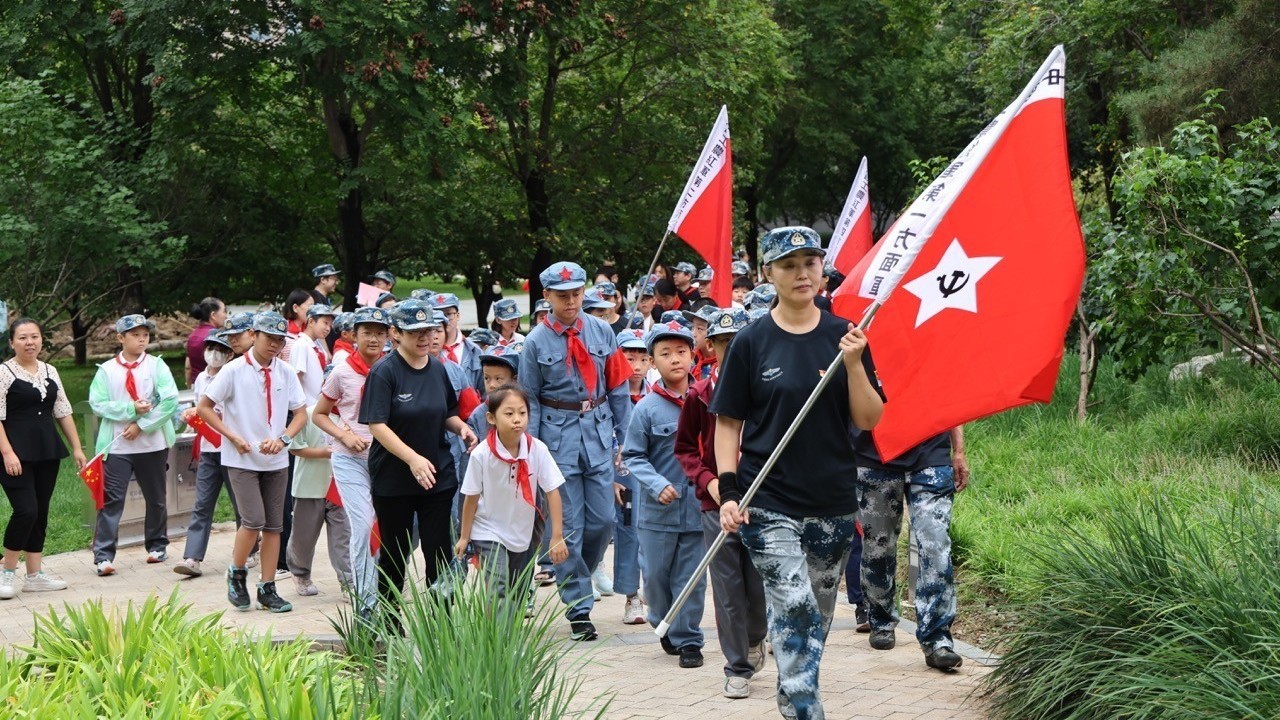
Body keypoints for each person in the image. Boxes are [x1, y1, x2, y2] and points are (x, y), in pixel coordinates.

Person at [712, 226, 885, 720]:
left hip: (831, 501)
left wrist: (853, 364)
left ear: (822, 269)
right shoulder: (750, 342)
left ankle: (791, 698)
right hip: (768, 503)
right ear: (768, 274)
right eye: (788, 265)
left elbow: (869, 419)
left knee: (816, 620)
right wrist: (729, 490)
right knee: (795, 606)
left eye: (810, 262)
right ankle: (807, 711)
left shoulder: (845, 335)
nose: (801, 273)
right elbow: (728, 424)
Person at [518, 261, 632, 641]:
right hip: (557, 438)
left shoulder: (601, 331)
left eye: (577, 293)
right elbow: (529, 399)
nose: (571, 301)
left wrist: (626, 439)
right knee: (566, 528)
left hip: (598, 434)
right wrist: (529, 450)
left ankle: (584, 571)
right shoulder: (535, 342)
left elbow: (617, 386)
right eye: (562, 295)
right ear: (546, 296)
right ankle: (579, 608)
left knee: (602, 522)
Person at [359, 299, 478, 613]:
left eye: (429, 330)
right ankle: (388, 620)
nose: (425, 337)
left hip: (436, 476)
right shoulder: (385, 372)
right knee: (395, 554)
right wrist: (411, 458)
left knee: (439, 552)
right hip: (394, 479)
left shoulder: (437, 368)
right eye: (416, 332)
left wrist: (461, 428)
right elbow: (376, 424)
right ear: (396, 334)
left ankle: (442, 622)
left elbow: (447, 413)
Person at [676, 308, 767, 698]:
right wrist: (709, 481)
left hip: (763, 503)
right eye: (724, 343)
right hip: (717, 506)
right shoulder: (699, 395)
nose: (732, 350)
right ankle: (737, 667)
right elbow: (685, 449)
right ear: (710, 346)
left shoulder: (766, 389)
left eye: (739, 342)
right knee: (728, 587)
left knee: (760, 585)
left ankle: (755, 637)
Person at [197, 312, 307, 613]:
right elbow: (204, 407)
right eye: (269, 337)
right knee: (253, 520)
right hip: (241, 458)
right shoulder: (232, 371)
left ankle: (267, 588)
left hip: (276, 460)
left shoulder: (285, 371)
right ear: (254, 335)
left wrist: (283, 439)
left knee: (274, 526)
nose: (275, 344)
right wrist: (231, 436)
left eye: (280, 339)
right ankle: (237, 573)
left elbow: (301, 413)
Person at [621, 316, 706, 668]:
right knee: (656, 577)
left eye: (682, 351)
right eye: (666, 352)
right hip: (657, 512)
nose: (675, 359)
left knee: (692, 578)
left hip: (699, 508)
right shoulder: (646, 408)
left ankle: (689, 640)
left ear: (693, 356)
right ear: (653, 360)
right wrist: (657, 485)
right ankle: (663, 621)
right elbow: (633, 456)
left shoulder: (706, 401)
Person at [855, 426, 969, 670]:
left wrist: (959, 450)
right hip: (875, 456)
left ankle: (937, 639)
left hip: (932, 456)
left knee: (936, 546)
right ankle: (881, 618)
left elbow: (954, 398)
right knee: (878, 547)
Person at [455, 384, 568, 608]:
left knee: (517, 590)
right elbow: (471, 498)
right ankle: (498, 640)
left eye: (522, 413)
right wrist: (465, 536)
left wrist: (557, 536)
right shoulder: (481, 454)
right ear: (491, 418)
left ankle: (508, 639)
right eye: (509, 413)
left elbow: (552, 491)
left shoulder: (537, 449)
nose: (517, 419)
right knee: (497, 587)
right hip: (488, 529)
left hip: (521, 529)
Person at [89, 314, 180, 576]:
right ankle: (103, 555)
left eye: (145, 335)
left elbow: (170, 400)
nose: (142, 339)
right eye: (135, 334)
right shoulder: (106, 370)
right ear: (120, 338)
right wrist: (129, 409)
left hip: (152, 444)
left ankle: (157, 545)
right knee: (111, 500)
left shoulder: (156, 366)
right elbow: (98, 403)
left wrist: (142, 425)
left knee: (156, 498)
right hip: (117, 446)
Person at [313, 306, 390, 614]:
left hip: (386, 460)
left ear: (388, 336)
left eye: (379, 333)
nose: (373, 339)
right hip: (350, 460)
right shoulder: (342, 372)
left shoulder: (393, 369)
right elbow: (320, 414)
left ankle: (384, 590)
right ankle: (365, 603)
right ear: (353, 335)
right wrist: (344, 435)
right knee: (361, 524)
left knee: (387, 525)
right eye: (366, 332)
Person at [0, 319, 85, 598]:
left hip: (46, 451)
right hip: (13, 454)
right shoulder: (3, 372)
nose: (29, 342)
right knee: (26, 510)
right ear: (12, 342)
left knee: (41, 512)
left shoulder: (50, 370)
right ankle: (7, 571)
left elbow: (62, 411)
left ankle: (35, 575)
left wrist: (77, 448)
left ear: (41, 340)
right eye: (22, 337)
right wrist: (7, 452)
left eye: (34, 337)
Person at [176, 330, 243, 577]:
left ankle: (250, 550)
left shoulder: (235, 375)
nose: (213, 354)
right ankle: (192, 557)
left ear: (230, 353)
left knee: (241, 505)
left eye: (220, 349)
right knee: (202, 503)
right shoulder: (201, 379)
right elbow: (201, 408)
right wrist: (193, 413)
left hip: (232, 449)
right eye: (210, 347)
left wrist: (207, 414)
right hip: (208, 450)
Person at [286, 402, 352, 597]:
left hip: (341, 487)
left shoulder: (351, 415)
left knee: (343, 538)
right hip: (309, 487)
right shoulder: (307, 414)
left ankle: (348, 583)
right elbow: (295, 448)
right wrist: (327, 453)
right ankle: (301, 574)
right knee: (303, 538)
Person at [612, 328, 650, 624]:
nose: (635, 366)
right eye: (628, 357)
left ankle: (654, 588)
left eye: (641, 358)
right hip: (623, 475)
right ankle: (631, 595)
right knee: (627, 533)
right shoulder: (611, 397)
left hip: (654, 476)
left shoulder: (656, 394)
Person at [284, 304, 337, 404]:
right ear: (311, 321)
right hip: (307, 407)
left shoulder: (317, 345)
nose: (328, 328)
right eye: (325, 323)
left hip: (316, 405)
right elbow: (296, 379)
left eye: (330, 325)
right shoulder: (301, 345)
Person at [433, 293, 482, 388]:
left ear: (458, 316)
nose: (445, 319)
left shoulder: (474, 350)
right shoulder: (427, 350)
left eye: (448, 314)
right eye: (438, 315)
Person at [186, 297, 227, 386]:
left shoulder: (192, 336)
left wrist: (189, 386)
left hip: (196, 385)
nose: (226, 316)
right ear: (213, 315)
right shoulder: (218, 337)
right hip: (215, 385)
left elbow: (188, 367)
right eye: (224, 311)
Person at [681, 304, 720, 383]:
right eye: (693, 327)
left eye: (700, 329)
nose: (693, 334)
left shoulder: (724, 365)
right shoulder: (690, 359)